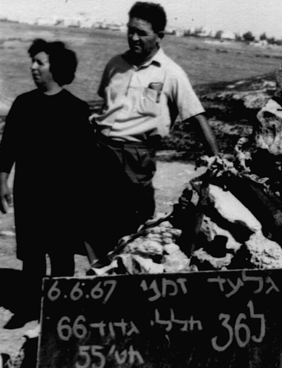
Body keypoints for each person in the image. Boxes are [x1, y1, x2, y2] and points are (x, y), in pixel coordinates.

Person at [88, 1, 220, 264]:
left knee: (131, 226)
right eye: (130, 30)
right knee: (92, 220)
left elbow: (196, 116)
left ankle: (124, 279)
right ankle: (97, 277)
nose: (133, 37)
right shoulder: (115, 64)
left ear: (159, 36)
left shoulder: (171, 73)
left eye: (141, 33)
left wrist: (217, 159)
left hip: (134, 157)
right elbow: (106, 106)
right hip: (100, 150)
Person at [0, 38, 94, 328]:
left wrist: (84, 198)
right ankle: (29, 307)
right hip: (29, 192)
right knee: (32, 254)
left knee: (62, 253)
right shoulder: (23, 103)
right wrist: (2, 182)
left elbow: (86, 158)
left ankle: (61, 311)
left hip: (63, 196)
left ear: (56, 67)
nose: (33, 67)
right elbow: (8, 146)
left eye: (40, 62)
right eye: (33, 61)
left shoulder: (76, 109)